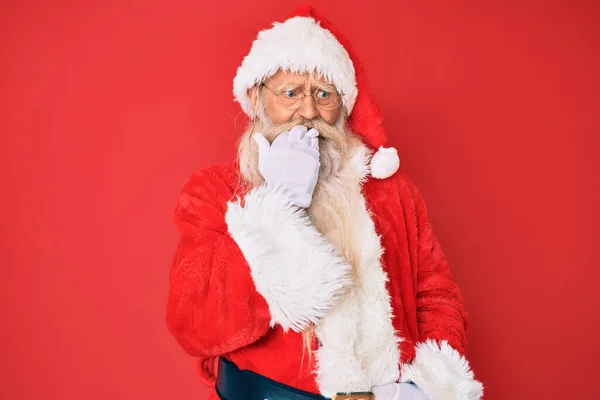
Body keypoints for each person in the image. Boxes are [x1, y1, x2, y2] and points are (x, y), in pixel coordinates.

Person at [166, 4, 483, 400]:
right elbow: (194, 323)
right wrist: (278, 204)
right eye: (291, 93)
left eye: (323, 94)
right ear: (258, 99)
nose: (309, 110)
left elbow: (436, 295)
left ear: (343, 105)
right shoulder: (214, 191)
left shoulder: (390, 191)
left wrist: (425, 385)